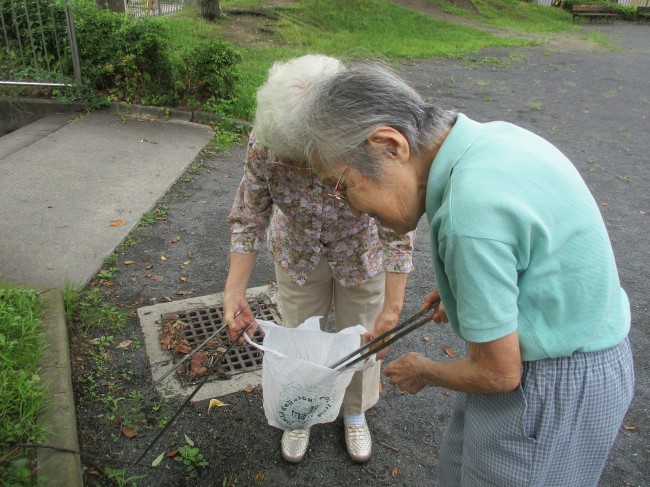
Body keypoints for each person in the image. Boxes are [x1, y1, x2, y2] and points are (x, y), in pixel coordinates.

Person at [289, 61, 634, 485]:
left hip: (551, 382)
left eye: (341, 185)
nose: (351, 207)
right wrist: (463, 290)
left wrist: (423, 370)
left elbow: (498, 374)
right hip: (567, 355)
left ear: (389, 145)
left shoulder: (468, 214)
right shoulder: (489, 139)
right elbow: (527, 252)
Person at [223, 55, 415, 464]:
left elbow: (397, 227)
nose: (295, 167)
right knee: (297, 337)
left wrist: (393, 308)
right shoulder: (267, 140)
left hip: (359, 253)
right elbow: (249, 214)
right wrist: (234, 289)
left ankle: (355, 410)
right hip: (296, 253)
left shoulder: (366, 140)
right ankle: (301, 412)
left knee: (363, 335)